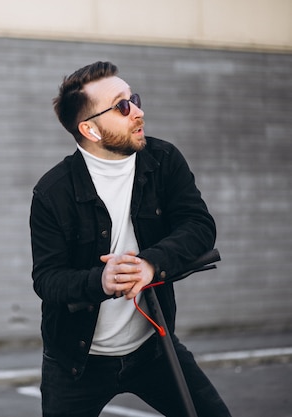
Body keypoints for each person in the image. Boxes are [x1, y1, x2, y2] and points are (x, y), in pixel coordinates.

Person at [29, 61, 231, 417]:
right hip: (76, 363)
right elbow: (47, 279)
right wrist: (100, 281)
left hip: (153, 348)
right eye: (122, 106)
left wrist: (151, 263)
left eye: (133, 99)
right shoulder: (52, 192)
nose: (138, 111)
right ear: (90, 129)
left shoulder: (163, 160)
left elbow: (198, 224)